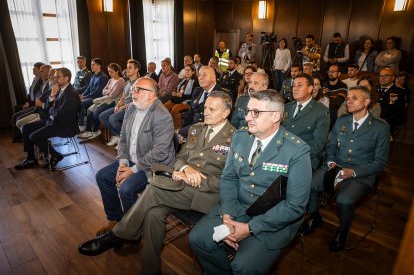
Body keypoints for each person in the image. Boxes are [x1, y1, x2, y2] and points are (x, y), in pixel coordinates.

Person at [78, 91, 235, 275]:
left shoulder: (235, 138)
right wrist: (185, 169)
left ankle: (117, 235)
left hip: (206, 196)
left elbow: (231, 180)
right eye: (205, 107)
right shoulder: (196, 129)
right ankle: (150, 269)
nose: (205, 111)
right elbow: (179, 157)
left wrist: (197, 178)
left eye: (211, 109)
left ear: (226, 113)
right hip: (180, 186)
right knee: (153, 214)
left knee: (153, 189)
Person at [188, 90, 312, 274]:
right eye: (247, 111)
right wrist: (227, 213)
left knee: (243, 267)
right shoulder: (240, 137)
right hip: (237, 206)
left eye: (256, 112)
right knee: (197, 239)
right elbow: (229, 177)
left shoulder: (296, 151)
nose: (247, 117)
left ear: (276, 116)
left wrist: (250, 228)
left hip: (272, 218)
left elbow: (294, 206)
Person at [302, 85, 390, 252]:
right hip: (337, 165)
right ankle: (314, 216)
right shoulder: (342, 121)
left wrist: (354, 172)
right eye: (348, 98)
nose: (349, 100)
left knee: (344, 200)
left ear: (367, 101)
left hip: (361, 172)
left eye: (354, 98)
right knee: (309, 185)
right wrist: (331, 162)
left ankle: (343, 231)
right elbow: (331, 147)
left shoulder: (380, 127)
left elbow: (380, 162)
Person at [92, 77, 175, 236]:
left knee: (126, 189)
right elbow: (123, 137)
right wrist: (123, 163)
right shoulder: (131, 107)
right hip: (131, 159)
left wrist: (133, 170)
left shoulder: (162, 116)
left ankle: (134, 229)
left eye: (138, 90)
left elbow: (160, 152)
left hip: (153, 166)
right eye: (133, 89)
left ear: (151, 95)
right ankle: (116, 219)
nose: (133, 93)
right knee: (102, 176)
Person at [14, 68, 81, 170]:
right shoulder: (58, 89)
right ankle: (31, 158)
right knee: (26, 128)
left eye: (58, 77)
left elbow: (57, 112)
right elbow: (48, 106)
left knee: (33, 136)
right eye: (55, 77)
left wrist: (49, 108)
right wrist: (51, 96)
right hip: (53, 121)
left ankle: (55, 154)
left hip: (65, 126)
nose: (55, 79)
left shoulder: (71, 94)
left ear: (67, 78)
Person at [283, 73, 330, 170]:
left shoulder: (321, 111)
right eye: (294, 85)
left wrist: (293, 155)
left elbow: (318, 144)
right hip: (282, 156)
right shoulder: (286, 107)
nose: (295, 89)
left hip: (305, 159)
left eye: (299, 85)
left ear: (310, 89)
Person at [99, 59, 141, 147]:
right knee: (102, 116)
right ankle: (117, 136)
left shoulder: (138, 83)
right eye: (127, 67)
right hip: (124, 106)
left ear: (136, 70)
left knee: (112, 119)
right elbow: (123, 97)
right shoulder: (128, 82)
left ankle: (124, 140)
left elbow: (137, 101)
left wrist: (124, 106)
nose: (127, 70)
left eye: (130, 68)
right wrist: (118, 105)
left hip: (133, 108)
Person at [78, 63, 125, 140]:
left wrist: (108, 91)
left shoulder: (120, 81)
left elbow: (113, 95)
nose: (110, 73)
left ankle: (96, 130)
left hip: (114, 101)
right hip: (105, 99)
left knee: (96, 113)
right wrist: (109, 91)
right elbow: (103, 91)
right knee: (90, 110)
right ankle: (89, 131)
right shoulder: (110, 80)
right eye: (109, 71)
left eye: (111, 72)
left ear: (117, 71)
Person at [179, 66, 222, 138]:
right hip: (192, 126)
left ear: (213, 78)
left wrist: (183, 131)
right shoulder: (197, 91)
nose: (201, 77)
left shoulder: (221, 94)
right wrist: (182, 129)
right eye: (199, 75)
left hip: (206, 129)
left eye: (204, 75)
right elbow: (190, 113)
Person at [11, 62, 45, 142]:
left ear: (40, 70)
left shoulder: (42, 81)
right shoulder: (35, 79)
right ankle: (19, 136)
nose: (33, 69)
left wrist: (30, 104)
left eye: (35, 68)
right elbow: (31, 93)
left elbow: (39, 96)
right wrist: (27, 102)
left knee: (18, 117)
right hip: (31, 103)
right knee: (15, 112)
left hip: (35, 105)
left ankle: (22, 137)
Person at [164, 64, 200, 130]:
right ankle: (167, 126)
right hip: (178, 99)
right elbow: (178, 90)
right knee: (165, 106)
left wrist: (181, 95)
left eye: (188, 70)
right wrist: (175, 92)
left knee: (175, 109)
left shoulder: (195, 82)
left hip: (188, 102)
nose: (186, 71)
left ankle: (177, 129)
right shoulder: (183, 80)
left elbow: (193, 96)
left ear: (193, 72)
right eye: (185, 70)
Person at [79, 58, 109, 131]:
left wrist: (84, 97)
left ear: (99, 66)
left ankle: (82, 125)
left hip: (98, 99)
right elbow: (88, 88)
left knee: (79, 103)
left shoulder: (103, 77)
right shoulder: (93, 76)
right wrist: (82, 96)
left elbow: (98, 92)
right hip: (91, 97)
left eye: (93, 65)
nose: (91, 66)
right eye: (91, 65)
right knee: (78, 102)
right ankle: (81, 124)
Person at [378, 67, 405, 135]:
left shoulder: (399, 92)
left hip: (387, 126)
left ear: (393, 78)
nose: (382, 78)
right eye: (381, 76)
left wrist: (385, 121)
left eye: (386, 75)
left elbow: (399, 112)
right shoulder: (374, 89)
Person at [325, 64, 348, 129]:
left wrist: (324, 98)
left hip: (332, 115)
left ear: (339, 73)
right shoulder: (324, 84)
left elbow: (337, 102)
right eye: (329, 71)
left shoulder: (343, 86)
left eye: (332, 71)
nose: (330, 73)